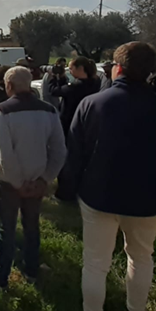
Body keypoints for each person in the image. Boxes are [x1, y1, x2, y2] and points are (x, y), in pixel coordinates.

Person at [64, 42, 156, 311]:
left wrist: (70, 189)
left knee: (95, 264)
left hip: (98, 196)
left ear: (118, 69)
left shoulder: (92, 104)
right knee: (141, 258)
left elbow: (74, 156)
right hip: (147, 200)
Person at [0, 66, 67, 288]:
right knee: (31, 224)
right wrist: (45, 179)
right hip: (37, 177)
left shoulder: (2, 110)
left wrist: (17, 183)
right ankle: (31, 268)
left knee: (6, 227)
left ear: (8, 86)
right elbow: (59, 150)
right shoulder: (49, 110)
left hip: (9, 180)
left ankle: (1, 275)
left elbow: (5, 153)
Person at [49, 57, 100, 202]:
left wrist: (55, 78)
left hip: (69, 124)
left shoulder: (76, 86)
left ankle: (65, 193)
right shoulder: (95, 82)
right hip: (87, 124)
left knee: (67, 159)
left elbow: (55, 91)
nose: (69, 71)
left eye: (71, 68)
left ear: (80, 69)